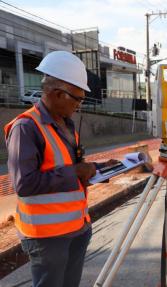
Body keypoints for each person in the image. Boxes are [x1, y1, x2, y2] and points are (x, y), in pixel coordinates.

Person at [4, 51, 115, 287]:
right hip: (47, 237)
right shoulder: (26, 128)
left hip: (77, 227)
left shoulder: (65, 125)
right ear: (57, 94)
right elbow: (24, 184)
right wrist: (75, 172)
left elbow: (70, 167)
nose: (79, 104)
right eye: (77, 99)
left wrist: (102, 169)